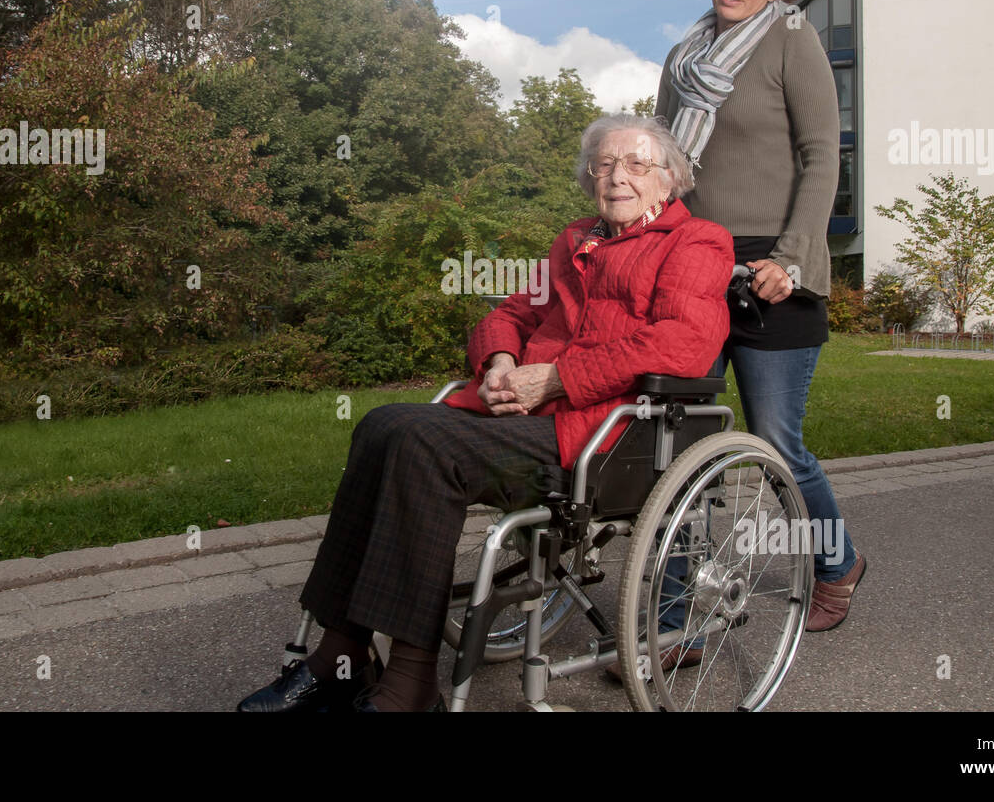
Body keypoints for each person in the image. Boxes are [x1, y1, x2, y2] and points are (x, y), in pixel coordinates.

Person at [237, 114, 735, 711]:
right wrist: (500, 360)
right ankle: (341, 656)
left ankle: (409, 683)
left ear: (669, 179)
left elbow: (683, 342)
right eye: (604, 165)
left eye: (635, 165)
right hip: (530, 416)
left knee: (425, 448)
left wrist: (555, 379)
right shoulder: (575, 240)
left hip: (602, 434)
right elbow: (512, 315)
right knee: (382, 425)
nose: (616, 177)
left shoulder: (697, 241)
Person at [654, 0, 865, 634]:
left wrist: (793, 256)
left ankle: (838, 562)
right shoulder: (683, 59)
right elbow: (664, 167)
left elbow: (822, 154)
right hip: (695, 263)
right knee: (672, 441)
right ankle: (677, 617)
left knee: (778, 443)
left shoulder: (791, 36)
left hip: (778, 266)